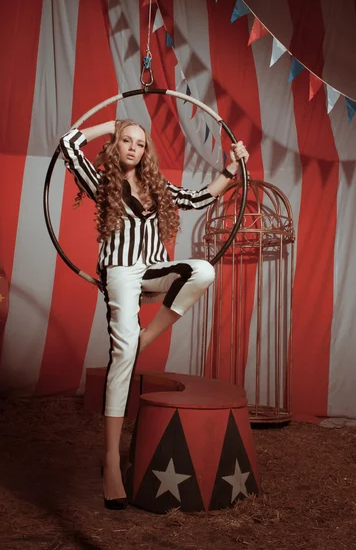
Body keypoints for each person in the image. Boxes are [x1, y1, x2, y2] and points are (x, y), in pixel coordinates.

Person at [59, 119, 249, 510]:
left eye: (140, 144)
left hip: (153, 270)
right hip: (120, 273)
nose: (133, 148)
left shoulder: (157, 187)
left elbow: (199, 198)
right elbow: (68, 143)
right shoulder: (103, 182)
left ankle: (145, 338)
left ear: (146, 152)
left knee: (204, 271)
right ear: (117, 145)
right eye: (126, 141)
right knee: (122, 355)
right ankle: (112, 460)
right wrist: (109, 124)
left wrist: (232, 166)